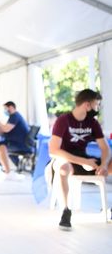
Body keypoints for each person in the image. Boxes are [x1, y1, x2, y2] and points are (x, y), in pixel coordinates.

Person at [48, 89, 110, 231]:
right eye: (97, 104)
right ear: (87, 105)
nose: (97, 108)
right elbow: (53, 150)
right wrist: (83, 162)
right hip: (64, 158)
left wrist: (105, 165)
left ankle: (109, 209)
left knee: (109, 165)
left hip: (83, 158)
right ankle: (66, 210)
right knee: (64, 168)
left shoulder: (92, 123)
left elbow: (105, 148)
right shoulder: (63, 120)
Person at [0, 101, 30, 177]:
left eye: (5, 108)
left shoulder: (14, 116)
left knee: (1, 147)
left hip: (20, 144)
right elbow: (4, 130)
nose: (5, 110)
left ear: (11, 107)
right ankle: (11, 168)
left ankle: (7, 171)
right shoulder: (14, 116)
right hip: (19, 142)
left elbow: (6, 129)